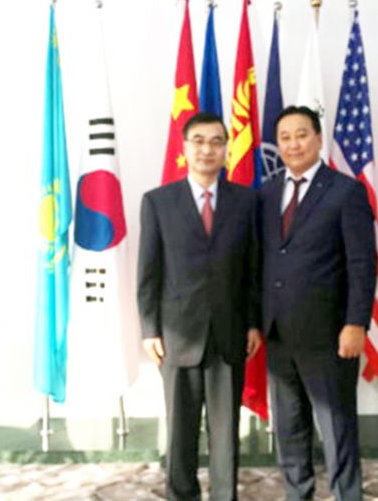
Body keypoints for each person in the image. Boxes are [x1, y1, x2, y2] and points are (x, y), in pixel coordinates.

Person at [137, 111, 262, 501]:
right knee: (180, 430)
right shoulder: (158, 202)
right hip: (177, 335)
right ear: (185, 148)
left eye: (216, 142)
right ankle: (181, 495)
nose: (207, 149)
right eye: (199, 141)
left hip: (229, 333)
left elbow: (253, 269)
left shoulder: (246, 201)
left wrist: (253, 323)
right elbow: (149, 271)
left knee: (226, 432)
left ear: (227, 149)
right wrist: (149, 329)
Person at [261, 106, 376, 501]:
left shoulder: (346, 191)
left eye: (301, 134)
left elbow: (362, 263)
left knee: (337, 428)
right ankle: (299, 495)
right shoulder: (266, 193)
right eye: (285, 137)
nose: (293, 144)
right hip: (277, 332)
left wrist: (356, 323)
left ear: (318, 138)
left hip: (329, 335)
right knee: (290, 429)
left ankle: (347, 495)